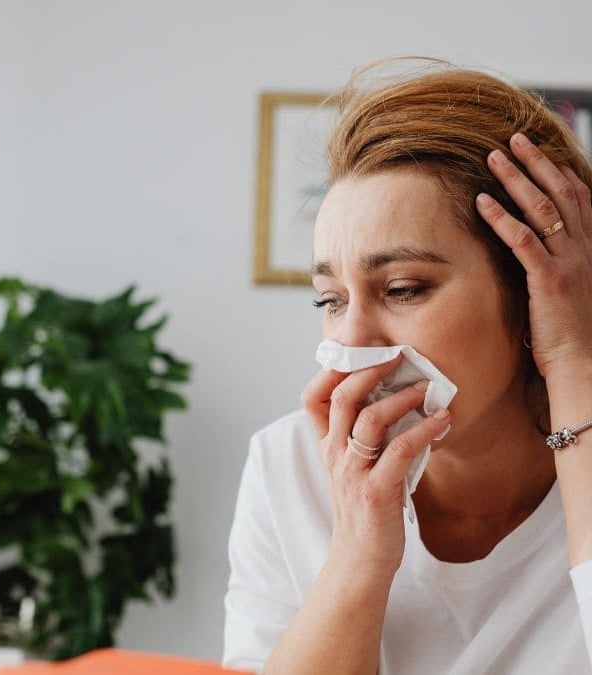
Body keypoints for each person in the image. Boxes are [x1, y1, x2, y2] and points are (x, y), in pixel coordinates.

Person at [223, 58, 592, 674]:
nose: (353, 340)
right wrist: (357, 554)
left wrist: (574, 361)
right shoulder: (285, 467)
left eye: (402, 289)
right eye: (330, 300)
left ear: (534, 290)